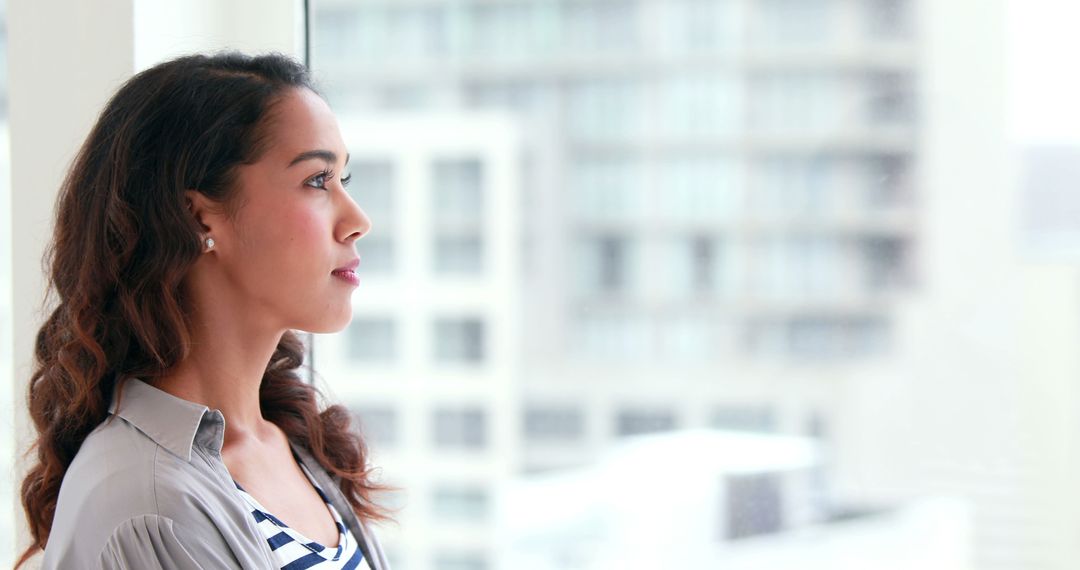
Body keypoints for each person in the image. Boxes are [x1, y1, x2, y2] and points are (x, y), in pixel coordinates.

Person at [16, 51, 393, 569]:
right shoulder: (147, 507)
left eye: (342, 181)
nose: (357, 221)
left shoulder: (293, 445)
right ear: (198, 216)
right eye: (316, 180)